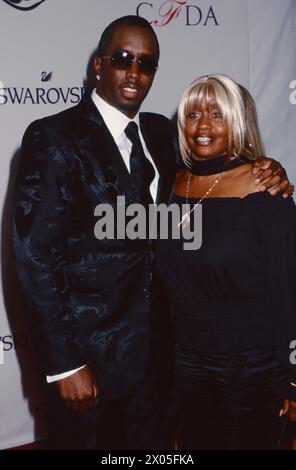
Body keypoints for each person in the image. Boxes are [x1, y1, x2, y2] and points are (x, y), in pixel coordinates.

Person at [12, 15, 292, 450]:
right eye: (123, 59)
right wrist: (64, 364)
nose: (134, 73)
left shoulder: (161, 133)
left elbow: (215, 183)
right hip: (91, 361)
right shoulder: (53, 137)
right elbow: (35, 259)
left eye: (147, 63)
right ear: (99, 65)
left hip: (163, 364)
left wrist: (267, 166)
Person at [155, 73, 296, 450]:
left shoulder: (265, 190)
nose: (202, 126)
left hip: (253, 364)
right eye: (193, 114)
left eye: (217, 115)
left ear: (239, 122)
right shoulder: (173, 183)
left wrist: (294, 379)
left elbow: (290, 293)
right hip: (186, 359)